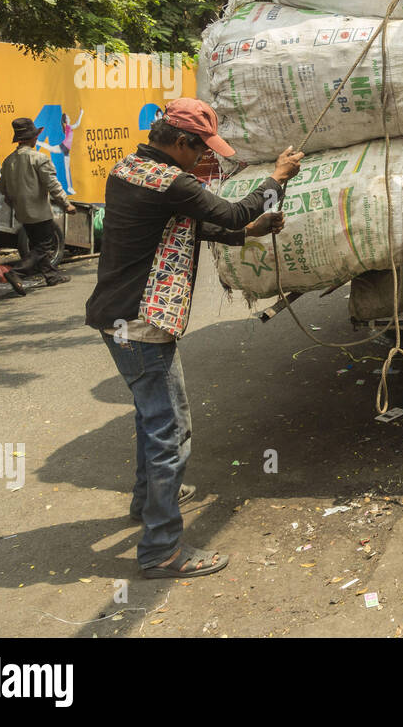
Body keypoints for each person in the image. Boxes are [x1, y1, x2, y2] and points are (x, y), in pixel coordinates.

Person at [85, 98, 304, 580]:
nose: (207, 158)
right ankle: (162, 551)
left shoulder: (130, 169)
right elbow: (229, 212)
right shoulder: (170, 181)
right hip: (142, 322)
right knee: (171, 433)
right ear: (180, 142)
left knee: (152, 419)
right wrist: (279, 178)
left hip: (117, 317)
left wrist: (250, 229)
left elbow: (186, 226)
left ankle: (147, 504)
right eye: (202, 148)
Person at [0, 117, 76, 295]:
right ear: (32, 138)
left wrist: (14, 203)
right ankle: (15, 273)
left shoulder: (9, 161)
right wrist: (66, 204)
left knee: (37, 245)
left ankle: (52, 276)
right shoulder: (38, 158)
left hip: (22, 212)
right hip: (39, 212)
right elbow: (53, 184)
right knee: (44, 247)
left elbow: (3, 188)